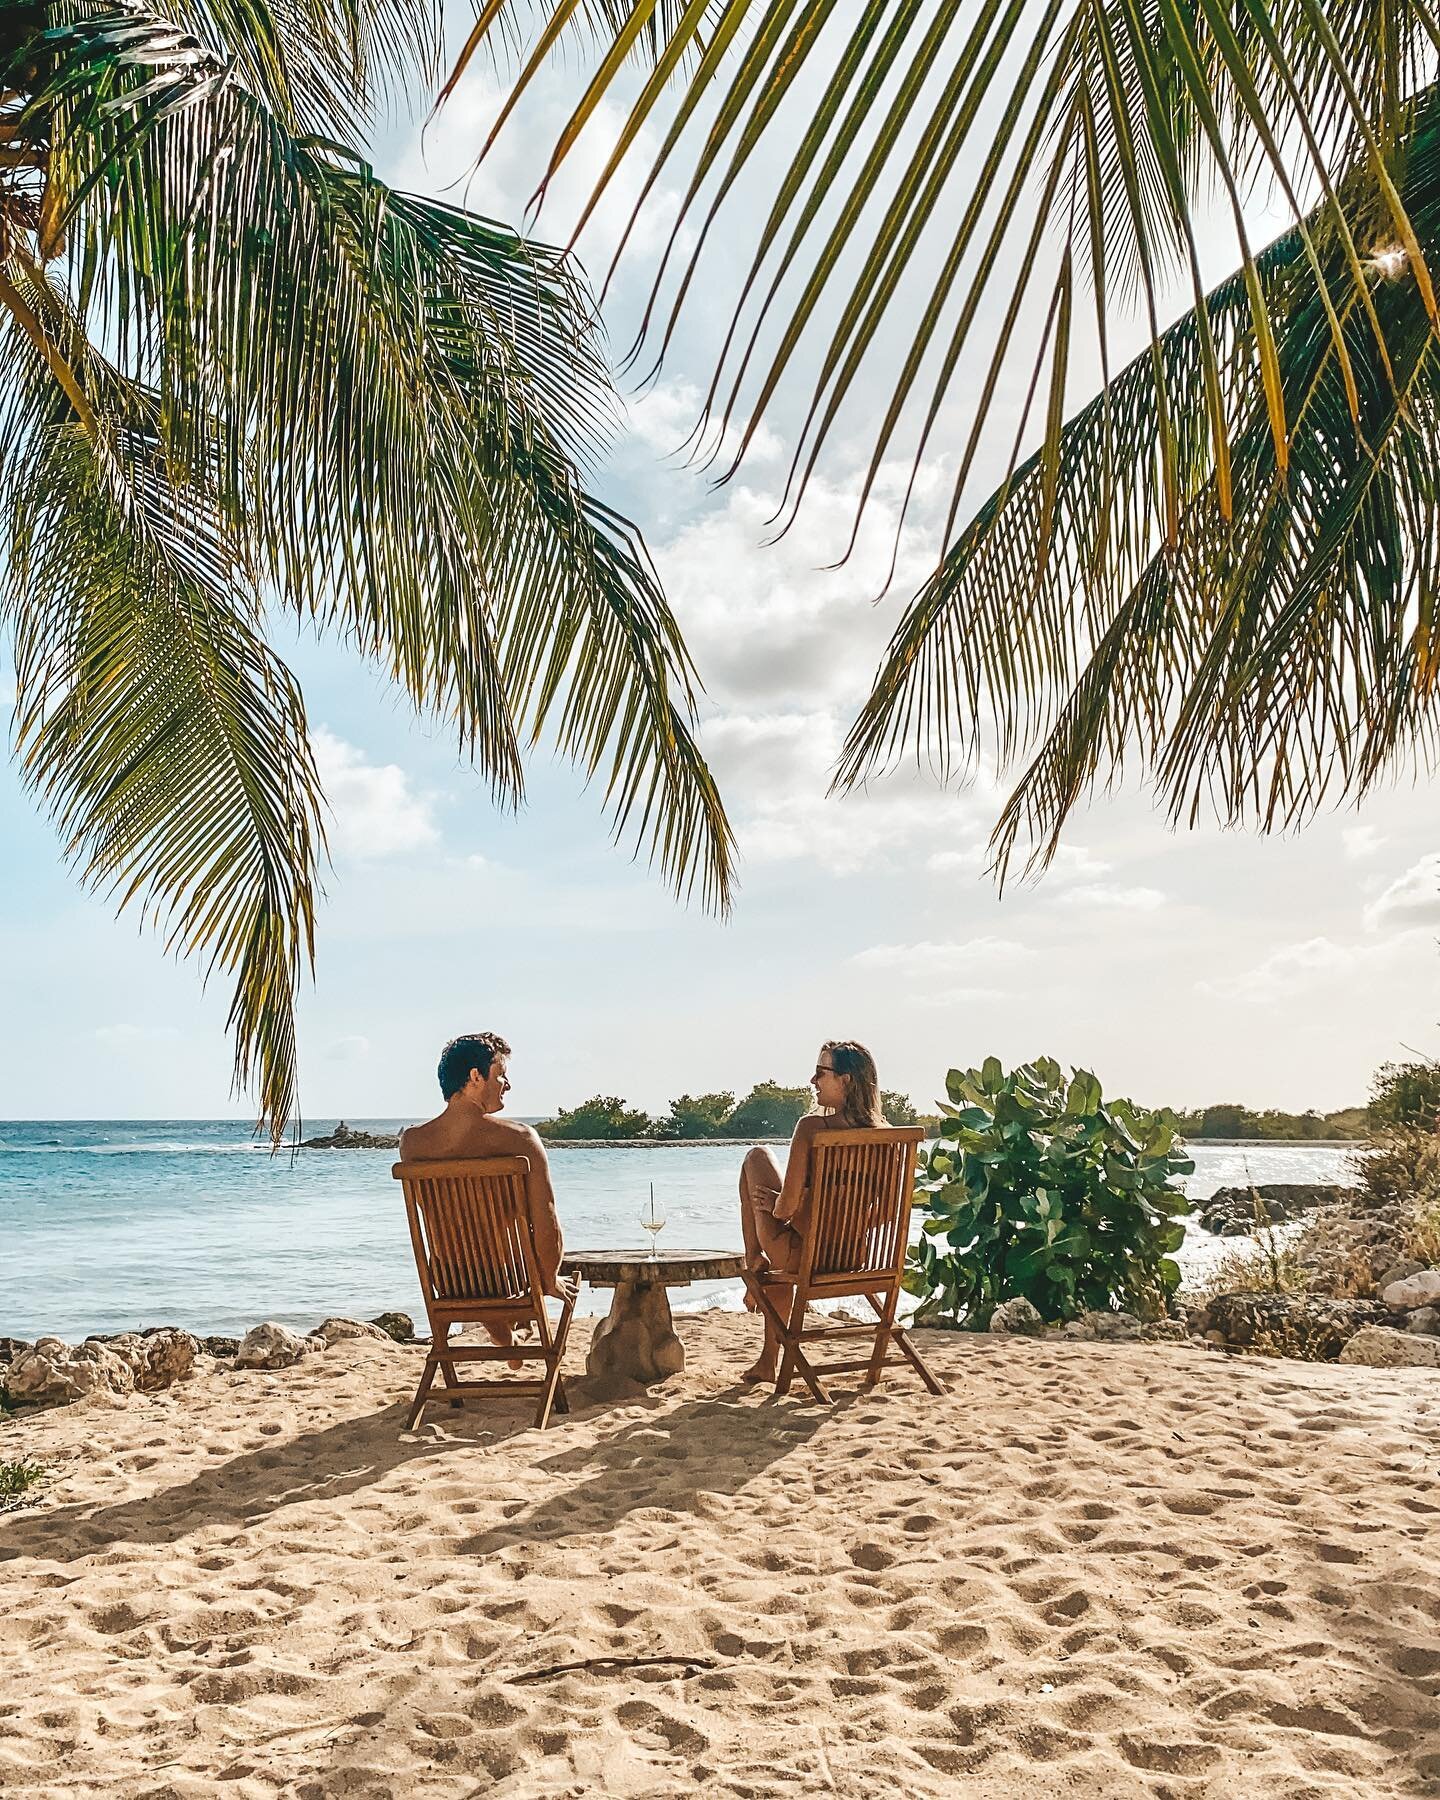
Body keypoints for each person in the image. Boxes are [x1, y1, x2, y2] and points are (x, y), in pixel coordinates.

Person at [399, 1032, 575, 1355]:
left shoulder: (412, 1144)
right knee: (500, 1254)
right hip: (508, 1281)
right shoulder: (522, 1140)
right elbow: (547, 1220)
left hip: (451, 1282)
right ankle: (506, 1332)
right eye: (501, 1074)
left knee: (465, 1246)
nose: (507, 1084)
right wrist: (549, 1279)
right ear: (475, 1077)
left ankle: (502, 1334)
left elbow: (439, 1217)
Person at [737, 1039, 886, 1385]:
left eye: (821, 1072)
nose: (812, 1080)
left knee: (756, 1157)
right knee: (787, 1233)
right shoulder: (887, 1137)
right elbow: (886, 1215)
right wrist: (838, 1221)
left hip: (805, 1258)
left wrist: (790, 1201)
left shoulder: (811, 1128)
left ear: (845, 1079)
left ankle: (751, 1260)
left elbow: (784, 1209)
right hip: (853, 1256)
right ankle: (766, 1360)